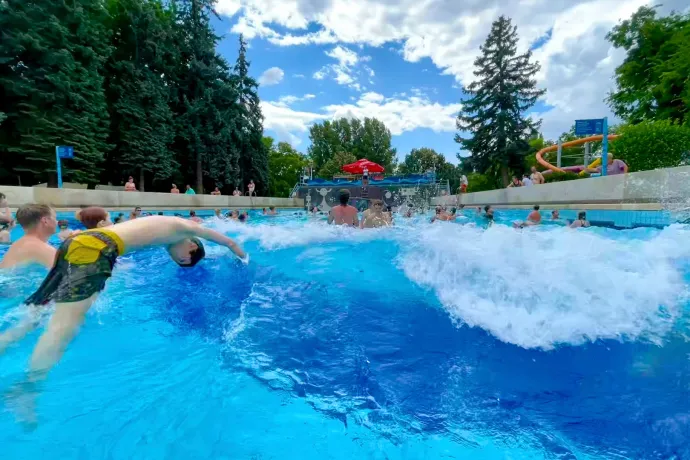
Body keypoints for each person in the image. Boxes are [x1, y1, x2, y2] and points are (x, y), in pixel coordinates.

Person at [0, 216, 247, 405]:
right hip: (96, 249)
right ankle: (28, 388)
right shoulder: (186, 229)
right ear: (192, 247)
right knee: (63, 325)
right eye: (183, 260)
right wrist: (243, 259)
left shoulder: (163, 228)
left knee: (36, 313)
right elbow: (230, 241)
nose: (179, 261)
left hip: (79, 243)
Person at [0, 204, 57, 269]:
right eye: (55, 218)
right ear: (45, 221)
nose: (57, 222)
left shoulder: (16, 245)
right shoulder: (45, 249)